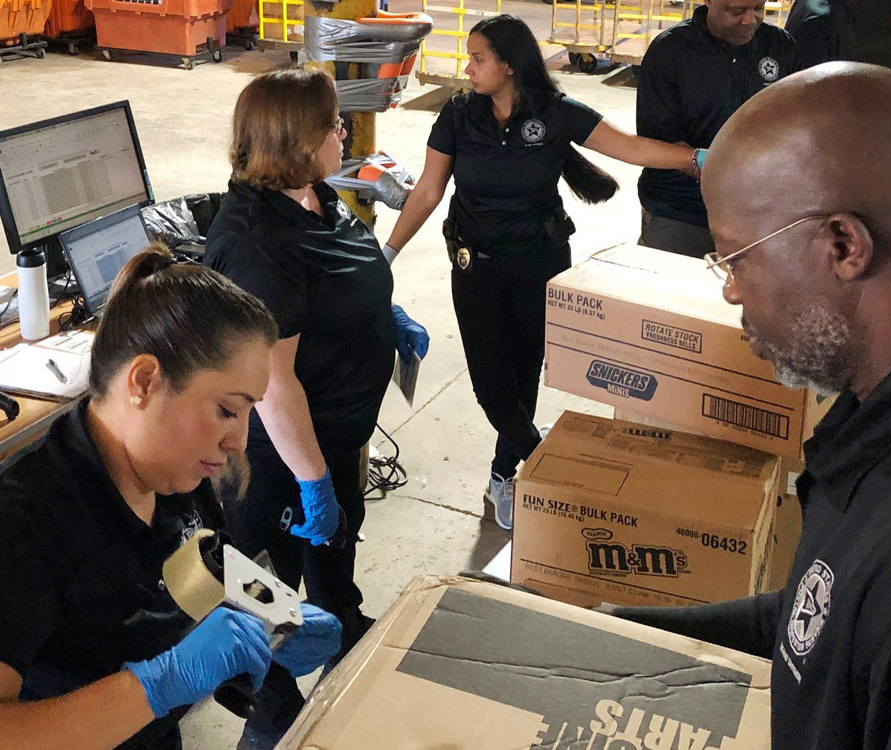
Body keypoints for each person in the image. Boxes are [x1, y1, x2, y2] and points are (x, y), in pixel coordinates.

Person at [605, 62, 891, 749]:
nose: (731, 290)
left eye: (736, 259)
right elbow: (813, 619)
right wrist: (601, 626)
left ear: (843, 246)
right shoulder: (864, 424)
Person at [0, 246, 343, 750]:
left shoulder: (174, 472)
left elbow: (204, 562)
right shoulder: (26, 522)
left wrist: (279, 611)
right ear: (144, 381)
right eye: (228, 410)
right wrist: (158, 684)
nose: (239, 442)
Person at [380, 14, 700, 530]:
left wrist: (694, 159)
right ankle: (547, 457)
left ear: (509, 65)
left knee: (524, 371)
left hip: (540, 263)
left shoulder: (556, 113)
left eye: (478, 58)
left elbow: (631, 147)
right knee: (491, 385)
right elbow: (429, 191)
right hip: (476, 268)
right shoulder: (459, 115)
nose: (468, 68)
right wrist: (388, 253)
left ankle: (504, 473)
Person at [204, 69, 429, 670]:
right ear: (296, 142)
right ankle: (269, 700)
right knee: (265, 597)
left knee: (334, 558)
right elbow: (273, 385)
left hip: (334, 437)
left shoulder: (316, 196)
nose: (344, 133)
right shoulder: (257, 244)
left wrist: (381, 314)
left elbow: (333, 284)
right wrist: (313, 481)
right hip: (279, 460)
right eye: (333, 125)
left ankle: (344, 634)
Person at [636, 0, 797, 257]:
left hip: (757, 213)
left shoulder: (779, 46)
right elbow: (661, 145)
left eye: (759, 8)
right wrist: (718, 166)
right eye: (737, 11)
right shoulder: (670, 52)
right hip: (682, 212)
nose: (750, 20)